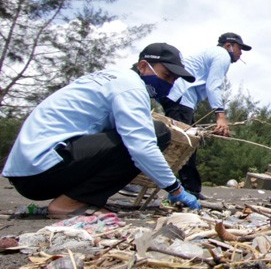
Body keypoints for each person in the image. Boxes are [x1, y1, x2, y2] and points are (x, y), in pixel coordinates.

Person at [2, 43, 201, 217]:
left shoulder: (113, 77)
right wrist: (175, 189)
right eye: (166, 75)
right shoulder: (131, 87)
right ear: (143, 66)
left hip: (29, 170)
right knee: (157, 132)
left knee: (140, 133)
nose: (169, 84)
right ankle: (70, 204)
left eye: (174, 80)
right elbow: (142, 146)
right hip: (42, 169)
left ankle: (76, 197)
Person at [160, 32, 251, 200]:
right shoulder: (221, 55)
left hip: (182, 98)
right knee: (179, 143)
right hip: (180, 96)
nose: (241, 53)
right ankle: (132, 180)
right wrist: (220, 116)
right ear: (228, 45)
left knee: (187, 144)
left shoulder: (213, 54)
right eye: (239, 48)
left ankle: (191, 189)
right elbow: (213, 86)